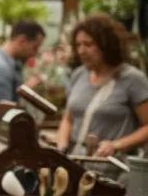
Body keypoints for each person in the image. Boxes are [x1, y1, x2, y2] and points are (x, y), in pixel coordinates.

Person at [56, 13, 148, 173]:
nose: (81, 51)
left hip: (112, 171)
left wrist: (116, 145)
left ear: (106, 44)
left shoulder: (132, 79)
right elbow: (68, 120)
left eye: (88, 44)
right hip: (75, 167)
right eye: (78, 45)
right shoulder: (79, 75)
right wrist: (62, 147)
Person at [0, 20, 45, 119]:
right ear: (22, 41)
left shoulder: (3, 62)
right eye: (34, 47)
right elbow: (5, 112)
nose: (35, 53)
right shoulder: (0, 69)